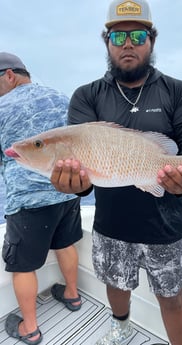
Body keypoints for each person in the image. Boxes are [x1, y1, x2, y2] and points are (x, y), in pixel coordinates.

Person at [51, 1, 182, 344]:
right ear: (106, 41)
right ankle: (120, 327)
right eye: (118, 35)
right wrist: (76, 186)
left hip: (167, 226)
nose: (128, 43)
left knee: (171, 297)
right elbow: (82, 169)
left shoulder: (179, 92)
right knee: (116, 286)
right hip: (112, 226)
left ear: (151, 40)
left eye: (138, 35)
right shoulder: (86, 96)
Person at [0, 52, 83, 345]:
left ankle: (30, 329)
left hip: (28, 202)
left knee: (22, 265)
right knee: (65, 243)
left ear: (10, 75)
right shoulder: (60, 96)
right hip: (68, 190)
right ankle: (72, 295)